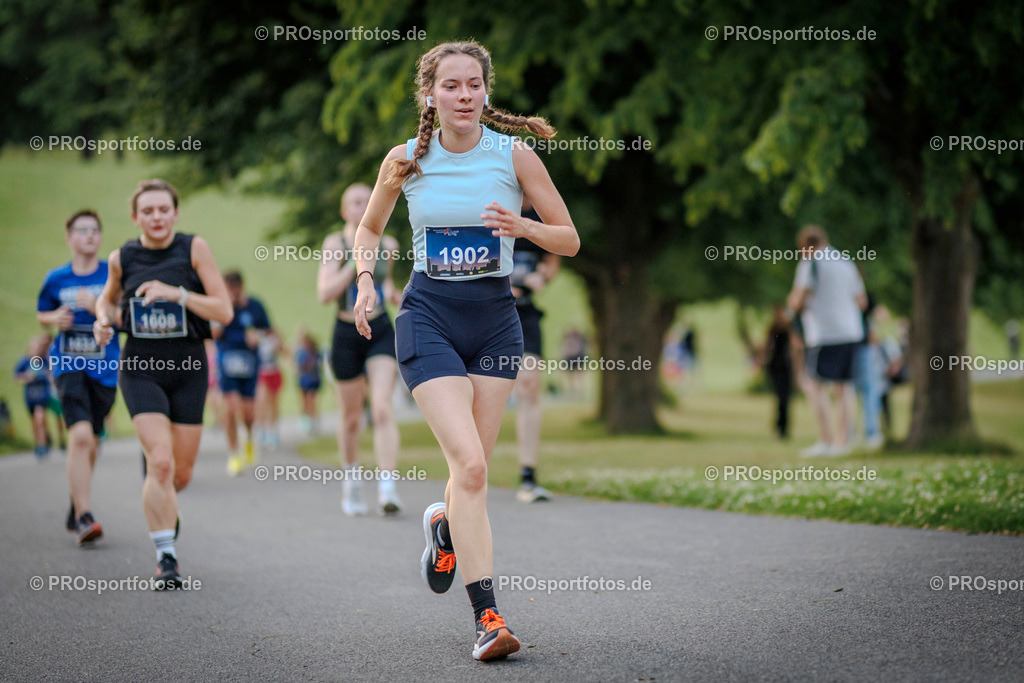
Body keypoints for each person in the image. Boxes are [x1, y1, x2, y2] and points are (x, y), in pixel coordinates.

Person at [350, 41, 579, 661]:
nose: (464, 95)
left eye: (473, 84)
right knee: (471, 467)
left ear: (486, 90)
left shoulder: (514, 155)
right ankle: (488, 620)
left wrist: (523, 227)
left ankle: (444, 526)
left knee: (470, 472)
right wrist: (366, 280)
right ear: (430, 95)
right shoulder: (405, 159)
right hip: (428, 317)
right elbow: (369, 228)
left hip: (497, 323)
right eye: (450, 86)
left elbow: (569, 239)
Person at [94, 179, 232, 590]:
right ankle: (166, 559)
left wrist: (178, 295)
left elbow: (223, 310)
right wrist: (102, 320)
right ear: (135, 217)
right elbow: (107, 300)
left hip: (189, 367)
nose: (156, 217)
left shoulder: (194, 249)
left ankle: (165, 500)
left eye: (163, 209)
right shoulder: (122, 257)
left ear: (175, 213)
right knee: (161, 462)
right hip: (140, 367)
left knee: (180, 474)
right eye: (148, 211)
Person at [317, 183, 403, 516]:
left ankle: (387, 487)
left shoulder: (388, 244)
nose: (362, 206)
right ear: (344, 210)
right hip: (345, 332)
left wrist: (394, 293)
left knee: (381, 407)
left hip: (379, 329)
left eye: (367, 201)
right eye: (355, 202)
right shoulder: (334, 244)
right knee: (351, 418)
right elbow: (324, 293)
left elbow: (387, 283)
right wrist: (357, 262)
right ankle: (352, 481)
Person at [36, 209, 121, 545]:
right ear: (69, 237)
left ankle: (76, 504)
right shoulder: (56, 278)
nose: (89, 235)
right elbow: (42, 313)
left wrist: (99, 306)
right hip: (68, 363)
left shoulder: (111, 274)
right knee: (81, 435)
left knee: (93, 439)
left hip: (105, 367)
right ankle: (86, 516)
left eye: (95, 230)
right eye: (82, 230)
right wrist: (54, 317)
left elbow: (123, 316)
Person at [786, 225, 867, 457]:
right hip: (851, 331)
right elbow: (861, 301)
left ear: (805, 246)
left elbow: (798, 299)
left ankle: (826, 439)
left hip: (824, 333)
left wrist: (792, 308)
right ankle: (843, 442)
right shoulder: (846, 262)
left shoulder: (810, 263)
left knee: (813, 384)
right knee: (844, 387)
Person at [510, 198, 560, 503]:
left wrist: (542, 276)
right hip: (488, 311)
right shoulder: (488, 205)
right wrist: (508, 280)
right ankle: (469, 474)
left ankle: (527, 475)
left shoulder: (539, 214)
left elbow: (553, 258)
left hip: (526, 314)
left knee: (529, 386)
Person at [213, 271, 271, 476]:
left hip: (249, 363)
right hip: (227, 362)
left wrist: (258, 336)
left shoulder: (255, 306)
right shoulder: (220, 306)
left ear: (240, 288)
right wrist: (223, 312)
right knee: (229, 409)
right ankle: (234, 454)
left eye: (232, 290)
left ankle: (249, 438)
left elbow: (268, 331)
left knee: (248, 412)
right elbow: (213, 334)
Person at [13, 334, 56, 459]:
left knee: (40, 417)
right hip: (30, 396)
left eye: (38, 347)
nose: (36, 349)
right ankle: (40, 443)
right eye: (34, 347)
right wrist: (27, 378)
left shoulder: (43, 361)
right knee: (35, 422)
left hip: (42, 395)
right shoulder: (25, 362)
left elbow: (51, 373)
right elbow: (16, 377)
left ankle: (43, 445)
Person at [764, 305, 793, 439]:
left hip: (786, 367)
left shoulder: (789, 330)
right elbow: (767, 347)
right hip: (775, 366)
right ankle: (779, 426)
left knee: (784, 398)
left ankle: (783, 427)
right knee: (779, 397)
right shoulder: (773, 329)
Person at [255, 328, 285, 449]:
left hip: (274, 373)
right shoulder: (257, 336)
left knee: (273, 404)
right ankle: (262, 430)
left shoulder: (274, 337)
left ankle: (273, 432)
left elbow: (284, 351)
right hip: (262, 374)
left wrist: (279, 341)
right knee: (261, 403)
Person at [294, 329, 323, 435]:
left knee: (311, 401)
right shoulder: (300, 351)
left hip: (312, 380)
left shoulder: (313, 351)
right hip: (303, 380)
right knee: (304, 403)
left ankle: (314, 422)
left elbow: (316, 365)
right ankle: (307, 422)